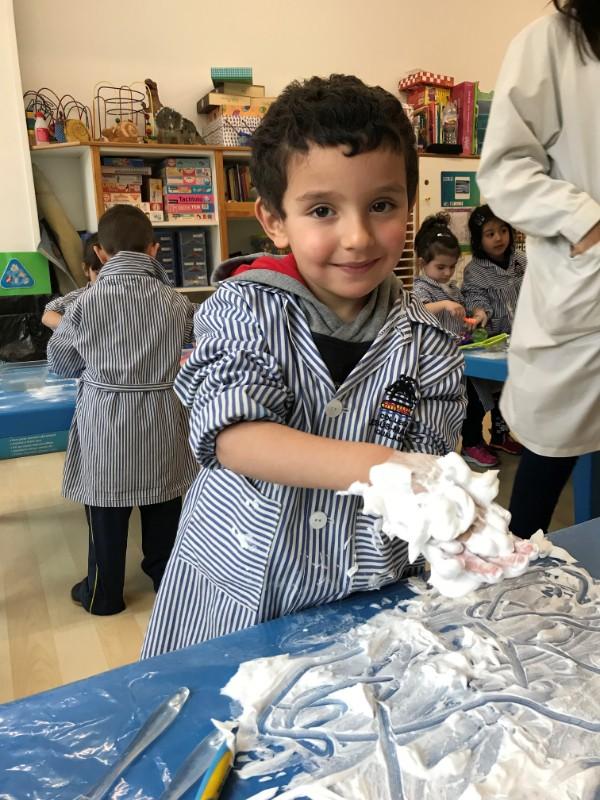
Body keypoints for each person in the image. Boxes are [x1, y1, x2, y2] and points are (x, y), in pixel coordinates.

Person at [142, 74, 471, 658]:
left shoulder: (429, 343)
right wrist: (385, 465)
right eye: (322, 210)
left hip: (367, 598)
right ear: (274, 220)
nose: (358, 236)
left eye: (382, 206)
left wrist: (458, 524)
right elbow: (234, 437)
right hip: (239, 597)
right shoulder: (245, 310)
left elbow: (429, 475)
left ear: (408, 206)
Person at [476, 0, 600, 537]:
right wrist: (586, 222)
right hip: (585, 293)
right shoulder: (552, 42)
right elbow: (505, 169)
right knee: (545, 468)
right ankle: (512, 577)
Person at [47, 205, 197, 615]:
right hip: (163, 413)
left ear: (99, 252)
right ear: (153, 249)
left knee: (106, 509)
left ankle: (104, 594)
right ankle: (167, 583)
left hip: (107, 420)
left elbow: (61, 363)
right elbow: (192, 345)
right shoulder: (177, 302)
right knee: (164, 501)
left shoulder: (85, 303)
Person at [412, 214, 500, 468]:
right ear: (422, 263)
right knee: (448, 409)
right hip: (436, 365)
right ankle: (459, 447)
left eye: (452, 267)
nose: (448, 272)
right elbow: (418, 310)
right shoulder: (421, 288)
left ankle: (472, 442)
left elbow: (460, 314)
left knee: (474, 401)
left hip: (459, 358)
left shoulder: (451, 288)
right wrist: (443, 305)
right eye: (441, 267)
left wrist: (472, 319)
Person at [461, 205, 525, 459]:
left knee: (506, 395)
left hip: (518, 341)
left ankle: (500, 436)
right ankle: (471, 442)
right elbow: (475, 298)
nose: (498, 238)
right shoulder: (475, 270)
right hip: (489, 344)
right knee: (478, 397)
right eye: (490, 234)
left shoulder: (521, 261)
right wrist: (479, 314)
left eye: (503, 230)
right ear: (479, 240)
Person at [42, 234, 103, 330]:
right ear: (86, 269)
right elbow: (47, 315)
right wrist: (73, 328)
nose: (105, 280)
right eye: (98, 273)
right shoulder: (79, 296)